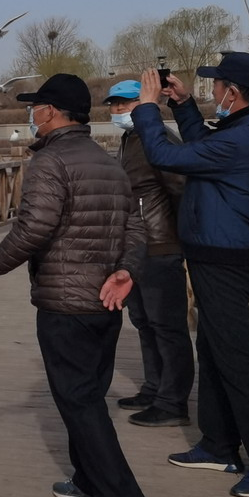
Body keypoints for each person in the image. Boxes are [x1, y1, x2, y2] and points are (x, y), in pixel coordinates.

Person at [0, 74, 150, 497]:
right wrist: (127, 269)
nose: (32, 115)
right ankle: (88, 479)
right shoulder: (108, 162)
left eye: (36, 107)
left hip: (67, 302)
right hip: (105, 299)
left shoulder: (50, 163)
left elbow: (33, 229)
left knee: (79, 400)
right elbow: (136, 228)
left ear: (50, 112)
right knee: (87, 393)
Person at [130, 55, 249, 497]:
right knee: (215, 350)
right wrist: (182, 106)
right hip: (215, 253)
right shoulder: (244, 130)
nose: (212, 92)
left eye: (216, 86)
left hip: (225, 258)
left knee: (237, 360)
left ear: (233, 93)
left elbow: (166, 154)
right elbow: (201, 149)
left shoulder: (248, 138)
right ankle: (219, 445)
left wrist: (147, 107)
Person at [104, 80, 193, 427]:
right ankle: (154, 387)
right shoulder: (132, 140)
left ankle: (173, 401)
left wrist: (179, 237)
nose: (117, 111)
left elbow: (181, 189)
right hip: (137, 248)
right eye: (113, 105)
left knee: (167, 326)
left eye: (125, 104)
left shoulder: (160, 140)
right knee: (144, 322)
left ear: (146, 104)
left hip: (160, 244)